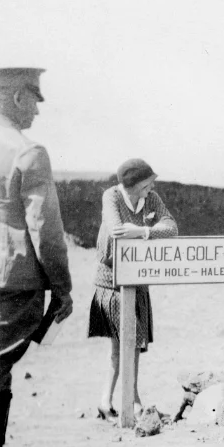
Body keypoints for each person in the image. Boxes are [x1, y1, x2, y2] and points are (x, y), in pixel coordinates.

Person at [0, 67, 74, 447]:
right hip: (13, 276)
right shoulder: (29, 151)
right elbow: (45, 229)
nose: (37, 111)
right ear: (15, 99)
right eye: (33, 99)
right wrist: (62, 288)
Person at [88, 159, 177, 419]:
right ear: (134, 184)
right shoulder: (111, 196)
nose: (152, 188)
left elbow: (171, 227)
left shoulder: (151, 199)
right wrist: (145, 232)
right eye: (147, 184)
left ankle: (112, 401)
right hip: (112, 281)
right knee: (124, 345)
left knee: (131, 345)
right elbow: (116, 229)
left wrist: (142, 231)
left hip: (138, 280)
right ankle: (131, 401)